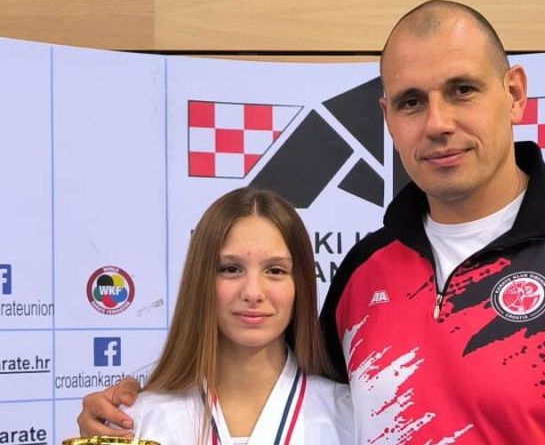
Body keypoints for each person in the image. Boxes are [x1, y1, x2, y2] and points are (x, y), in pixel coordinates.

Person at [78, 0, 545, 444]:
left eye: (462, 90)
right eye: (412, 102)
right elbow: (283, 395)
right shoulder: (365, 273)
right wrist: (140, 406)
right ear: (388, 118)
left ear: (514, 93)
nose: (438, 123)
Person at [82, 187, 353, 444]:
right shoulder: (137, 421)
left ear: (300, 284)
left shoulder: (350, 416)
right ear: (201, 281)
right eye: (231, 269)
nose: (253, 292)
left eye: (275, 271)